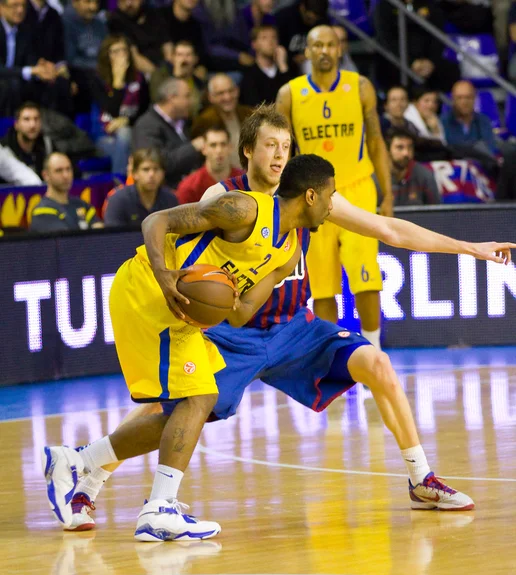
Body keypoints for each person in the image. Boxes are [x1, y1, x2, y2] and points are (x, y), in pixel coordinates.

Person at [50, 107, 516, 536]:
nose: (278, 154)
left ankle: (422, 480)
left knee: (376, 363)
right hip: (232, 332)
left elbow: (391, 230)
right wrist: (186, 290)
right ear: (248, 150)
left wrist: (470, 248)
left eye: (285, 146)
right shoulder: (227, 198)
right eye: (270, 145)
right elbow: (169, 232)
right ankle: (89, 477)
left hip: (293, 327)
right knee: (173, 405)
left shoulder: (309, 203)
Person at [42, 151, 336, 541]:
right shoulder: (244, 209)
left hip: (183, 312)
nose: (333, 206)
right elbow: (156, 220)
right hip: (148, 288)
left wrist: (225, 294)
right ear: (311, 196)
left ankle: (78, 461)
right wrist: (165, 276)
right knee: (200, 397)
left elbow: (240, 312)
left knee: (196, 405)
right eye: (331, 195)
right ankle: (158, 507)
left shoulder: (288, 253)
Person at [276, 25, 394, 349]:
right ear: (308, 51)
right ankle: (333, 355)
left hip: (355, 187)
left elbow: (375, 141)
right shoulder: (289, 93)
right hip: (311, 195)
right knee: (323, 287)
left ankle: (373, 349)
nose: (325, 51)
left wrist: (388, 194)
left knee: (365, 279)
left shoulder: (360, 87)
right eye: (318, 45)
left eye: (331, 45)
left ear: (339, 49)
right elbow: (280, 149)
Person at [92, 34, 149, 174]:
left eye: (124, 50)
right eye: (115, 51)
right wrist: (118, 81)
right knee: (128, 142)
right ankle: (121, 184)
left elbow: (145, 110)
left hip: (132, 132)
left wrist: (127, 120)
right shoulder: (96, 79)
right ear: (107, 54)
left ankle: (121, 184)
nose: (121, 55)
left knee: (126, 135)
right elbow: (111, 110)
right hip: (104, 136)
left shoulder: (138, 78)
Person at [132, 77, 204, 187]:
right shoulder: (146, 126)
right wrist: (193, 147)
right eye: (187, 96)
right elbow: (158, 164)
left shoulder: (183, 121)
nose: (190, 102)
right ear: (172, 98)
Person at [192, 73, 253, 169]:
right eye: (221, 93)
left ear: (237, 91)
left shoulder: (249, 114)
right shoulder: (204, 121)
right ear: (210, 97)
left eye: (230, 91)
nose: (227, 97)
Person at [104, 148, 178, 227]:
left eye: (156, 169)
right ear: (135, 173)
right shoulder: (118, 200)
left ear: (163, 173)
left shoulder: (170, 199)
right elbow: (112, 237)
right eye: (146, 169)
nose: (151, 174)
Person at [30, 152, 103, 232]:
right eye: (59, 171)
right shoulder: (42, 211)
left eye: (68, 169)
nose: (66, 175)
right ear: (45, 175)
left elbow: (100, 234)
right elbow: (65, 242)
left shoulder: (81, 205)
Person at [175, 125, 243, 205]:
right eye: (213, 145)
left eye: (223, 144)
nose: (219, 150)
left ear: (230, 147)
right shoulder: (189, 187)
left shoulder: (244, 180)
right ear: (204, 149)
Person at [107, 0, 172, 76]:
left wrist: (170, 66)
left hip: (163, 68)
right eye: (123, 0)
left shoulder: (153, 13)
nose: (128, 3)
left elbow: (167, 44)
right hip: (141, 74)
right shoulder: (116, 21)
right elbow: (134, 57)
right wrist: (158, 76)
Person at [239, 25, 293, 107]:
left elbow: (293, 97)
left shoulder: (286, 68)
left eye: (274, 37)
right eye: (264, 38)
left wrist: (282, 65)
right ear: (254, 44)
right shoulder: (249, 73)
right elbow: (253, 105)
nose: (270, 42)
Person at [385, 127, 440, 206]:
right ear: (387, 150)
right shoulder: (376, 178)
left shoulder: (425, 176)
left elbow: (437, 213)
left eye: (410, 147)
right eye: (400, 147)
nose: (406, 153)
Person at [1, 102, 53, 178]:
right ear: (16, 124)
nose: (32, 125)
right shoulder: (3, 149)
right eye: (26, 119)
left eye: (36, 119)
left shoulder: (47, 144)